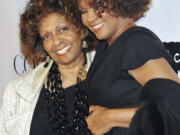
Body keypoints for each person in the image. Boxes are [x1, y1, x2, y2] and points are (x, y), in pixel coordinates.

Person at [74, 0, 180, 134]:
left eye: (99, 7)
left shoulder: (137, 43)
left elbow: (175, 112)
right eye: (84, 11)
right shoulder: (105, 44)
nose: (90, 18)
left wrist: (110, 117)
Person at [0, 0, 96, 134]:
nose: (56, 41)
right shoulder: (19, 91)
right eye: (46, 36)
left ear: (80, 29)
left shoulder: (109, 71)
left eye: (63, 29)